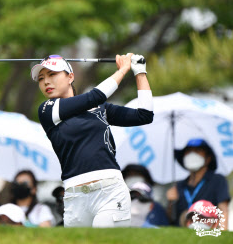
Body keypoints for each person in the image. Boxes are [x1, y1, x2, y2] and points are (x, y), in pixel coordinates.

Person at [31, 53, 153, 227]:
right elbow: (95, 96)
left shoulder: (100, 108)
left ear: (70, 77)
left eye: (52, 74)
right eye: (41, 78)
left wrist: (139, 72)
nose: (46, 82)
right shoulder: (47, 110)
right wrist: (123, 69)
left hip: (110, 192)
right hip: (74, 197)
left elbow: (144, 115)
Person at [166, 138, 230, 229]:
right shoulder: (179, 185)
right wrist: (170, 203)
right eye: (188, 151)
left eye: (198, 151)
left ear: (208, 158)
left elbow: (223, 210)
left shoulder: (217, 180)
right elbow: (170, 220)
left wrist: (222, 236)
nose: (192, 155)